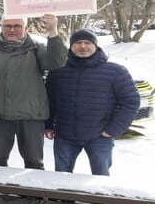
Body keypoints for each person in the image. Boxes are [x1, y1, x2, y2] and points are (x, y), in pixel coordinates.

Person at [0, 14, 67, 169]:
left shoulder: (36, 48)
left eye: (17, 26)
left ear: (26, 28)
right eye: (7, 26)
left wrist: (53, 31)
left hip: (30, 116)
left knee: (34, 162)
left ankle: (33, 194)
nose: (12, 30)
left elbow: (56, 62)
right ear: (1, 27)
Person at [45, 29, 140, 176]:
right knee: (61, 177)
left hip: (99, 137)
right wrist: (48, 125)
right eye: (77, 42)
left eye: (87, 42)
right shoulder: (58, 70)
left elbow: (131, 101)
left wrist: (112, 130)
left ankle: (100, 200)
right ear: (71, 46)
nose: (82, 46)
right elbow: (50, 100)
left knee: (100, 179)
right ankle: (63, 200)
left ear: (96, 45)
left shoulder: (115, 71)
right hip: (65, 136)